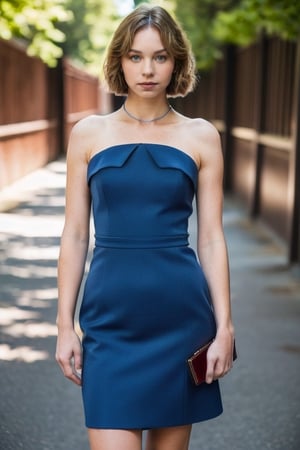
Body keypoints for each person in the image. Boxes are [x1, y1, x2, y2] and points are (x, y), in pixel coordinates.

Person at [55, 4, 235, 450]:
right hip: (109, 321)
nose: (148, 69)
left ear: (176, 62)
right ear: (119, 61)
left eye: (159, 57)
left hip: (180, 320)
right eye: (135, 56)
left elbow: (211, 237)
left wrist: (225, 327)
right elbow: (75, 234)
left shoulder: (201, 136)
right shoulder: (89, 133)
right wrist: (63, 325)